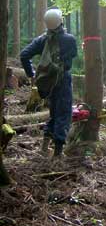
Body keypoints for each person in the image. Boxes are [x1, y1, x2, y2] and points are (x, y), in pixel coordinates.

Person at [20, 8, 77, 157]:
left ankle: (45, 146)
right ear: (61, 21)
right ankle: (58, 152)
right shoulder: (69, 39)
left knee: (53, 112)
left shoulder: (42, 39)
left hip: (47, 82)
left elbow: (24, 55)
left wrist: (31, 74)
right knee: (64, 113)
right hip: (63, 79)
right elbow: (71, 59)